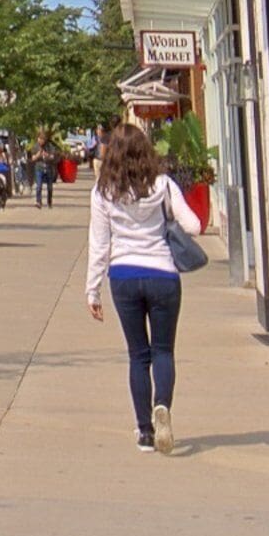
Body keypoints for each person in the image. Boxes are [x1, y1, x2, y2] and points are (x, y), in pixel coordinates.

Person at [84, 118, 204, 453]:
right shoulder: (163, 185)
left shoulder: (103, 192)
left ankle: (145, 432)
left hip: (123, 276)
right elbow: (193, 225)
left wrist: (92, 290)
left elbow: (99, 245)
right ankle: (162, 404)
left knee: (138, 356)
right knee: (163, 350)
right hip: (163, 275)